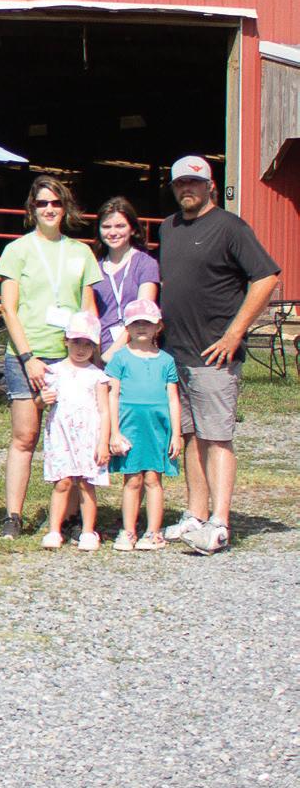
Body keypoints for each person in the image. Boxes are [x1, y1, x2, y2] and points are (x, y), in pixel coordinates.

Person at [156, 155, 280, 554]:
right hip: (176, 351)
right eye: (180, 183)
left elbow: (266, 277)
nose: (187, 189)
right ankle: (195, 514)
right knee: (191, 435)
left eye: (194, 183)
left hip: (214, 354)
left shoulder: (230, 227)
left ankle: (220, 522)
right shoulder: (169, 228)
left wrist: (234, 333)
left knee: (217, 437)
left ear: (210, 186)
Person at [0, 174, 103, 540]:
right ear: (32, 209)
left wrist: (92, 359)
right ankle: (13, 515)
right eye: (42, 203)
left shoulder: (81, 252)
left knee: (71, 436)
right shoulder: (17, 250)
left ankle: (69, 516)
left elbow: (88, 309)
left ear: (65, 207)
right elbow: (8, 308)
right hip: (27, 354)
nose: (49, 209)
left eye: (55, 203)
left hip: (69, 358)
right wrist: (27, 357)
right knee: (25, 436)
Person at [39, 312, 116, 551]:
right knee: (62, 482)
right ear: (66, 341)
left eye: (87, 344)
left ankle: (88, 531)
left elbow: (104, 411)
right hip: (61, 435)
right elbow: (40, 403)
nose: (81, 349)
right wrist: (42, 400)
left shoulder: (98, 376)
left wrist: (103, 442)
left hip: (88, 436)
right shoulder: (53, 372)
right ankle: (54, 530)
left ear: (94, 347)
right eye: (76, 342)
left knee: (86, 483)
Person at [108, 300, 180, 551]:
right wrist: (114, 432)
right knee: (132, 479)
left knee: (153, 479)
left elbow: (173, 398)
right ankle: (128, 531)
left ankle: (153, 532)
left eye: (147, 323)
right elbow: (112, 395)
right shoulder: (120, 358)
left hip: (157, 429)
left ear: (157, 327)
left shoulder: (166, 360)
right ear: (127, 327)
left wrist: (176, 434)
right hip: (130, 427)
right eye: (136, 323)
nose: (141, 327)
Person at [92, 197, 161, 356]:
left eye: (120, 226)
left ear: (133, 229)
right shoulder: (94, 267)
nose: (113, 232)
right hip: (99, 352)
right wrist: (96, 356)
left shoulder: (146, 264)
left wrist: (112, 353)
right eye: (106, 226)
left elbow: (142, 314)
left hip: (135, 351)